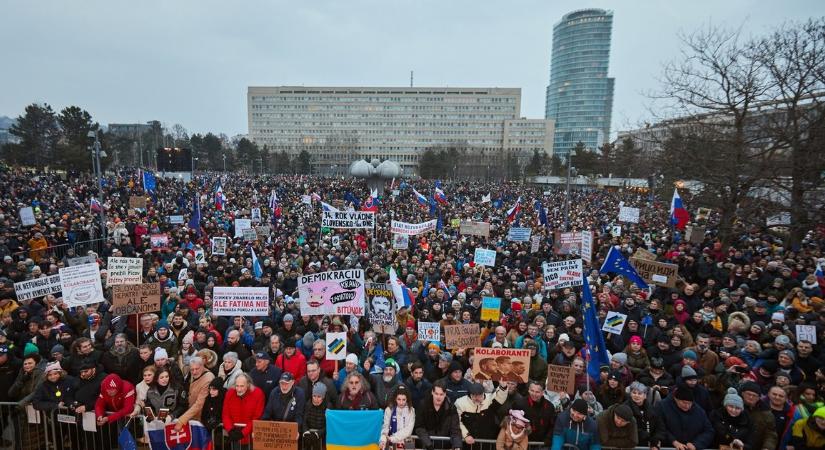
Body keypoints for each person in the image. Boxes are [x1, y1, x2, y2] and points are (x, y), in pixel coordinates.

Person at [413, 380, 463, 450]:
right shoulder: (423, 405)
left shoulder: (451, 408)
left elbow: (455, 429)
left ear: (445, 394)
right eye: (436, 394)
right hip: (427, 446)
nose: (438, 397)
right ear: (432, 392)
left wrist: (457, 446)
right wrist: (428, 445)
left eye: (441, 394)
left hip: (445, 446)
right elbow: (419, 427)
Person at [222, 372, 265, 446]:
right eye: (237, 386)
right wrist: (230, 430)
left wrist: (243, 433)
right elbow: (225, 414)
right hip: (234, 436)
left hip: (251, 437)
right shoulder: (230, 393)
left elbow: (257, 417)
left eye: (242, 386)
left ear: (248, 384)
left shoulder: (258, 394)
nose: (238, 389)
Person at [177, 356, 216, 429]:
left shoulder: (208, 379)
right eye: (192, 370)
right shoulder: (194, 374)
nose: (194, 372)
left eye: (197, 369)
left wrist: (182, 420)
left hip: (201, 418)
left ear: (202, 366)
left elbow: (199, 404)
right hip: (192, 415)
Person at [513, 381, 555, 447]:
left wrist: (547, 439)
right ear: (528, 390)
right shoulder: (520, 404)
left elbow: (552, 425)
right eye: (532, 391)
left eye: (537, 392)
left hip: (543, 444)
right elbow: (513, 423)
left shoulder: (549, 406)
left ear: (542, 393)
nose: (534, 394)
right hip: (524, 443)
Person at [379, 385, 416, 450]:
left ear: (407, 399)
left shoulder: (411, 410)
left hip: (405, 443)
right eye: (399, 399)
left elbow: (409, 430)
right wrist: (383, 440)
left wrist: (392, 438)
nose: (401, 402)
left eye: (403, 400)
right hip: (390, 444)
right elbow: (385, 427)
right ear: (395, 398)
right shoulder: (389, 409)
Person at [303, 382, 330, 446]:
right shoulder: (308, 404)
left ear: (323, 397)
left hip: (322, 437)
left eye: (319, 397)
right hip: (309, 433)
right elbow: (305, 421)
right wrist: (305, 431)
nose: (316, 399)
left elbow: (328, 425)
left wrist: (318, 433)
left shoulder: (328, 407)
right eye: (314, 396)